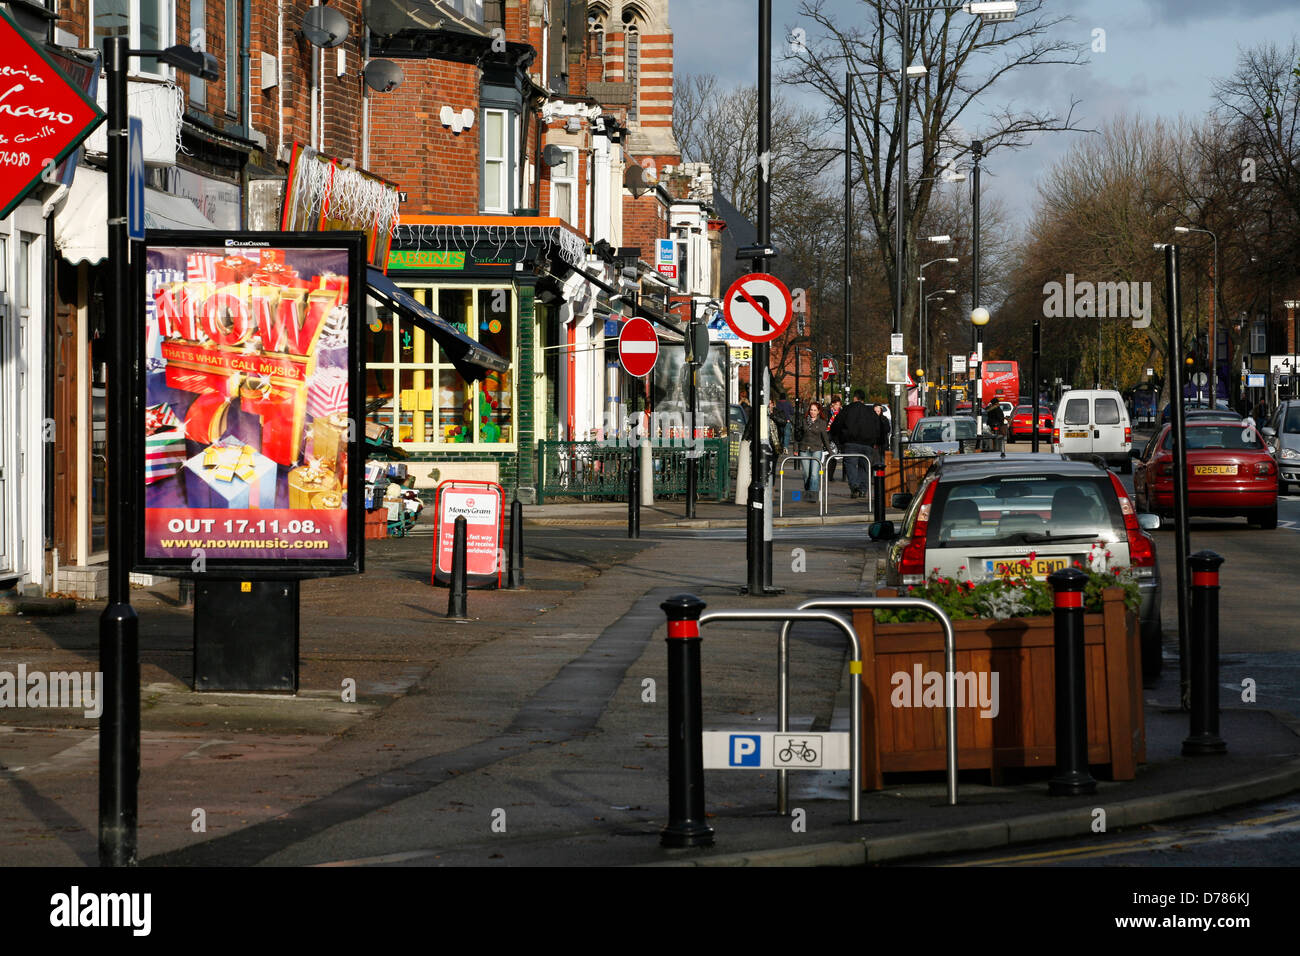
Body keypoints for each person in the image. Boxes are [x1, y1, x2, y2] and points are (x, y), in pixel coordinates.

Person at [830, 389, 885, 499]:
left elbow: (836, 426)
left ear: (854, 398)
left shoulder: (847, 410)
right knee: (864, 467)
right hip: (867, 444)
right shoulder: (871, 412)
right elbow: (879, 428)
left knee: (851, 465)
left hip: (850, 443)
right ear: (863, 399)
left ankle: (854, 486)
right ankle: (863, 490)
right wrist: (877, 442)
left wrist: (838, 441)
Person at [795, 401, 832, 495]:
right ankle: (808, 491)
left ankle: (813, 494)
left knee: (814, 474)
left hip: (816, 450)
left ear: (819, 411)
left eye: (815, 410)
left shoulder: (822, 422)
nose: (812, 412)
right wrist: (795, 449)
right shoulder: (803, 421)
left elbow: (825, 438)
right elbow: (797, 436)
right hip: (804, 449)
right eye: (811, 410)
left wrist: (830, 451)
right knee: (807, 474)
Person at [825, 394, 844, 481]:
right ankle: (828, 475)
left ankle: (831, 475)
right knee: (829, 455)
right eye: (836, 404)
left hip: (837, 437)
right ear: (832, 404)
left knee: (834, 456)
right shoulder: (827, 411)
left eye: (839, 405)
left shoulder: (841, 413)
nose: (838, 406)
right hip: (827, 435)